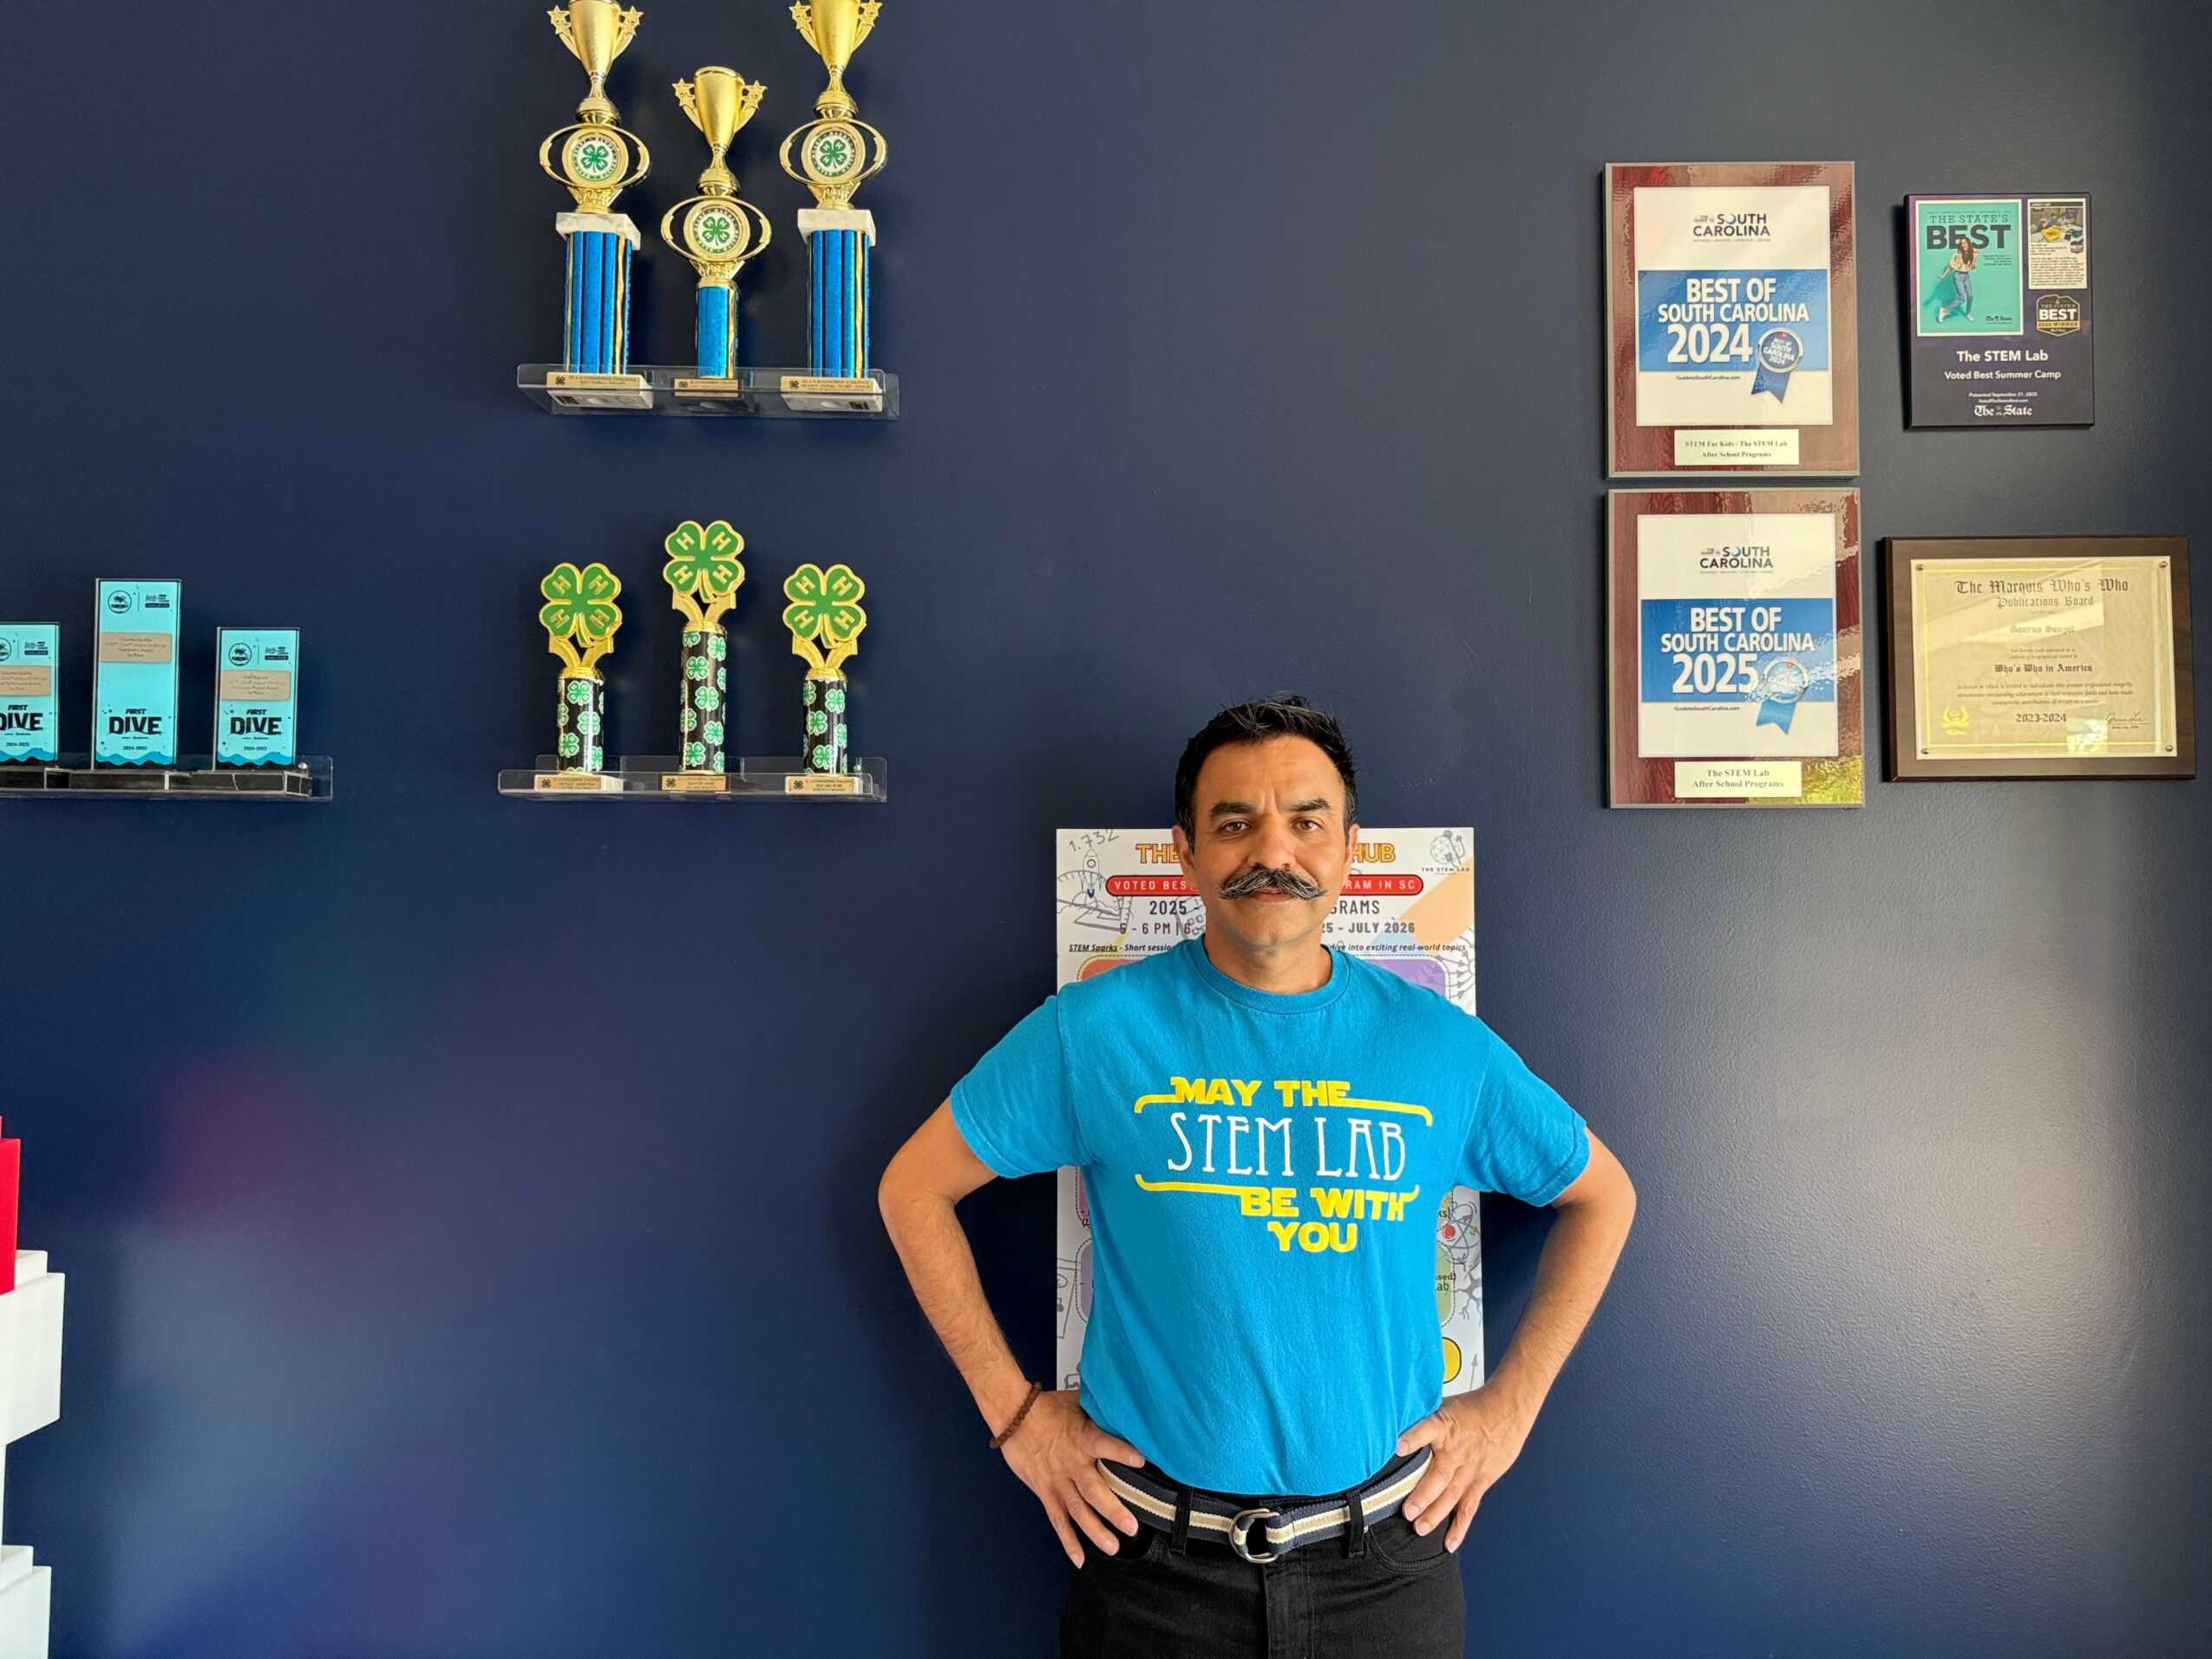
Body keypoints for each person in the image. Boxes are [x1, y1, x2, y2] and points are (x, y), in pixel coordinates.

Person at [879, 697, 1637, 1656]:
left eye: (1305, 820)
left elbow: (1603, 1193)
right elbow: (912, 1188)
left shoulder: (1442, 1048)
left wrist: (1511, 1409)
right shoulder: (1094, 1032)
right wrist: (1017, 1416)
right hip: (1150, 1570)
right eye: (1233, 821)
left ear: (1350, 848)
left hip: (1386, 1570)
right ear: (1185, 852)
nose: (1269, 849)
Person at [1935, 236, 1978, 323]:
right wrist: (1943, 276)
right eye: (1961, 244)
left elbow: (1972, 268)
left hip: (1966, 276)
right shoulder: (1957, 254)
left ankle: (1968, 313)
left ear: (1968, 243)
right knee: (1963, 298)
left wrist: (1974, 257)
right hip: (1958, 276)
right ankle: (1944, 310)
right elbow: (1950, 266)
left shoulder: (1971, 254)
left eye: (1965, 243)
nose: (1963, 245)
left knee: (1970, 296)